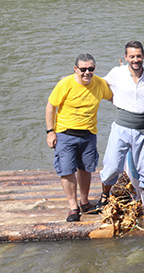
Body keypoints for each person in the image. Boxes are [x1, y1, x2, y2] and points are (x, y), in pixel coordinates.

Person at [46, 54, 113, 222]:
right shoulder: (65, 83)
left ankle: (84, 203)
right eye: (83, 69)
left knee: (86, 169)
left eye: (91, 69)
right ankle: (73, 206)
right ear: (76, 69)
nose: (87, 72)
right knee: (67, 170)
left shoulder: (99, 83)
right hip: (65, 134)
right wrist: (50, 131)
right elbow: (50, 106)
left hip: (89, 134)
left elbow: (115, 97)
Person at [98, 41, 144, 214]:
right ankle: (104, 196)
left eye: (138, 56)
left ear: (143, 56)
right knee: (112, 165)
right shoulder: (117, 73)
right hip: (121, 126)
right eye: (131, 56)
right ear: (126, 57)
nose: (135, 59)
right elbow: (99, 85)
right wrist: (75, 79)